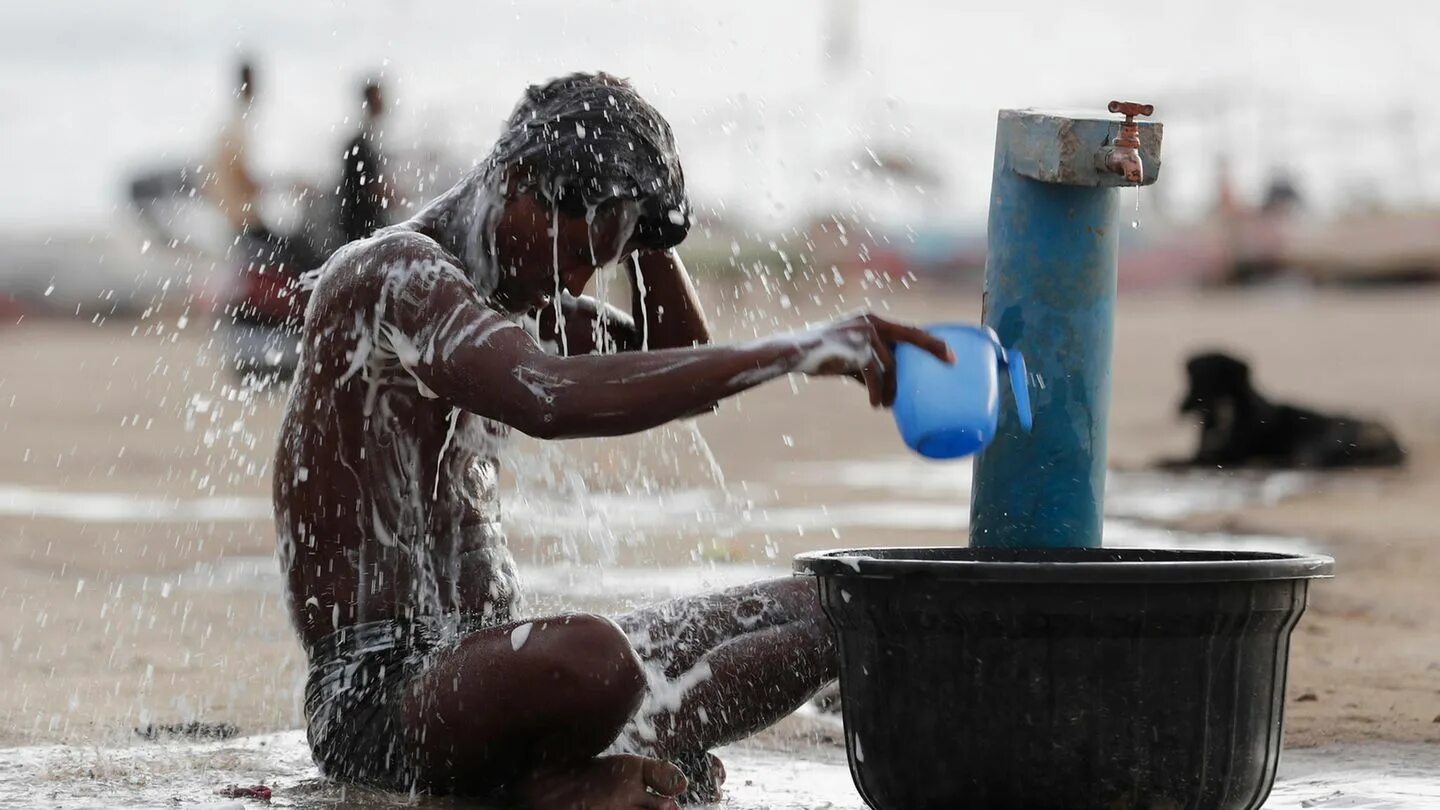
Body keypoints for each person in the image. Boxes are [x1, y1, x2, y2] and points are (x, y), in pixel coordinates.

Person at [274, 72, 952, 809]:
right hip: (383, 704)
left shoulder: (514, 295)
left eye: (599, 258)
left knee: (835, 611)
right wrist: (799, 348)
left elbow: (672, 348)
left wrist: (650, 228)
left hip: (497, 684)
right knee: (597, 660)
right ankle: (538, 789)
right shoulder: (391, 275)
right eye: (571, 252)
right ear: (517, 183)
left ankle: (601, 762)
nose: (576, 278)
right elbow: (547, 396)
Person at [337, 79, 395, 244]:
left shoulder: (370, 140)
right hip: (362, 224)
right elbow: (367, 188)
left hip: (363, 221)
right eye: (379, 99)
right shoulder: (361, 143)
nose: (383, 104)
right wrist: (391, 194)